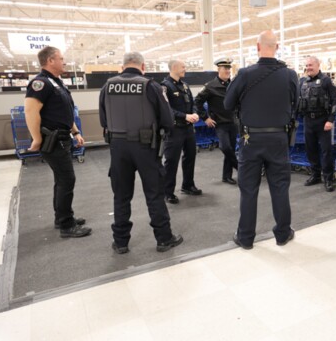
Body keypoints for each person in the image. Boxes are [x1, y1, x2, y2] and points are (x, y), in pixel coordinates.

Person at [99, 52, 183, 253]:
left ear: (123, 65)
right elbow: (167, 120)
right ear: (142, 66)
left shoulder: (107, 86)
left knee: (121, 195)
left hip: (117, 147)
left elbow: (103, 120)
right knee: (154, 194)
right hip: (146, 147)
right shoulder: (150, 86)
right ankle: (164, 238)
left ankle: (120, 242)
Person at [224, 30, 298, 250]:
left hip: (250, 139)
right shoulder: (290, 75)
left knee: (248, 189)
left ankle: (246, 238)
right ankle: (283, 234)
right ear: (277, 47)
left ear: (257, 47)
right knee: (280, 187)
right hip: (278, 138)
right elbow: (296, 104)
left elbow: (228, 104)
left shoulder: (245, 74)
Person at [24, 46, 92, 238]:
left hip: (63, 137)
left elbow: (63, 111)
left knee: (61, 179)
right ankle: (66, 225)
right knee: (66, 179)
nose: (64, 62)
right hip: (51, 140)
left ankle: (61, 217)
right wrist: (37, 138)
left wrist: (75, 131)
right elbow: (30, 111)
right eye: (61, 59)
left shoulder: (56, 83)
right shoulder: (40, 83)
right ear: (50, 61)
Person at [162, 59, 202, 204]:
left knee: (190, 157)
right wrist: (185, 116)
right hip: (174, 129)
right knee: (171, 161)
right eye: (183, 67)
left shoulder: (184, 85)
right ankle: (168, 192)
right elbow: (166, 109)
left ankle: (188, 185)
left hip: (188, 129)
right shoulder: (165, 86)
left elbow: (193, 103)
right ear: (173, 68)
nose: (185, 69)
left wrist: (195, 113)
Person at [194, 57, 238, 184]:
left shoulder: (233, 85)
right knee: (225, 148)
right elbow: (197, 102)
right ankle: (240, 168)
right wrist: (205, 117)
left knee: (230, 148)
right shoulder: (210, 86)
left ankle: (226, 176)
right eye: (225, 68)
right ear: (219, 69)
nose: (228, 71)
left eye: (229, 68)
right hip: (220, 123)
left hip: (233, 122)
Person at [297, 56, 336, 192]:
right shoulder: (302, 82)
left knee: (326, 151)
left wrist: (330, 120)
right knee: (311, 150)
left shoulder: (327, 81)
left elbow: (334, 101)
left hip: (323, 121)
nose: (308, 67)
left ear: (318, 65)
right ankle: (315, 175)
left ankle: (328, 178)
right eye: (307, 65)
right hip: (308, 121)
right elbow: (298, 100)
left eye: (311, 65)